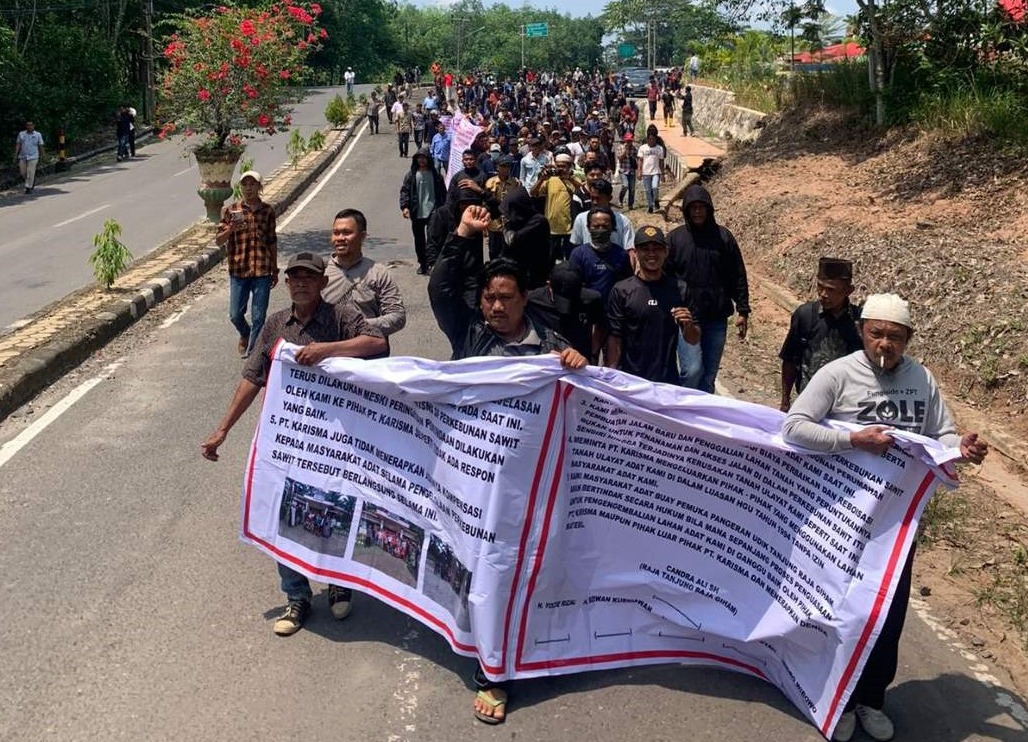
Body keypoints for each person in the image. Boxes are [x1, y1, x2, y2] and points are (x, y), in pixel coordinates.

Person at [782, 293, 989, 742]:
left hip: (895, 525)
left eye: (895, 337)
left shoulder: (922, 379)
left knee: (887, 613)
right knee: (839, 610)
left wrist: (962, 451)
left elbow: (943, 435)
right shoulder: (837, 375)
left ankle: (871, 699)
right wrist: (852, 440)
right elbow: (794, 426)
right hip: (838, 517)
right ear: (862, 331)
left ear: (908, 339)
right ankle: (832, 695)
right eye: (877, 333)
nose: (885, 344)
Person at [201, 251, 387, 636]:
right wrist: (223, 429)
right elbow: (252, 378)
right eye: (294, 277)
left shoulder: (342, 317)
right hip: (291, 440)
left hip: (338, 440)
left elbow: (376, 343)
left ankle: (339, 584)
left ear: (322, 282)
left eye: (309, 277)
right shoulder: (274, 326)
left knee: (336, 509)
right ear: (287, 284)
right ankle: (297, 596)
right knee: (287, 516)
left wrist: (327, 350)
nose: (301, 283)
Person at [666, 184, 749, 393]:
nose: (697, 212)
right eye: (692, 208)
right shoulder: (676, 239)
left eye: (701, 207)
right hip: (687, 317)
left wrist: (743, 309)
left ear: (709, 209)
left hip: (716, 317)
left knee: (709, 375)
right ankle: (682, 413)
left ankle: (700, 421)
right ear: (686, 210)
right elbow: (665, 276)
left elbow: (737, 273)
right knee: (692, 370)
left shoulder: (724, 237)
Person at [606, 225, 700, 384]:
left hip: (666, 382)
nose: (651, 254)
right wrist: (611, 376)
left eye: (657, 248)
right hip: (631, 381)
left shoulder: (679, 289)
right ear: (635, 253)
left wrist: (689, 324)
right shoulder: (622, 290)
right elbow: (615, 338)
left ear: (666, 252)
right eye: (645, 249)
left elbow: (693, 339)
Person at [779, 257, 863, 412]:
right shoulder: (805, 315)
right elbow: (790, 359)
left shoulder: (860, 322)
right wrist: (785, 401)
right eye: (820, 287)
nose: (823, 294)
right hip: (808, 402)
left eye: (831, 289)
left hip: (847, 406)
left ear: (848, 291)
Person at [323, 208, 407, 355]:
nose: (340, 238)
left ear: (362, 236)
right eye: (336, 233)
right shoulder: (320, 272)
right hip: (329, 355)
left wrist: (360, 326)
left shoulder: (378, 272)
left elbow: (397, 316)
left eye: (347, 233)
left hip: (370, 356)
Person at [215, 170, 278, 358]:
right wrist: (230, 230)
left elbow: (272, 240)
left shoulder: (267, 211)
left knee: (259, 316)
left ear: (259, 187)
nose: (248, 188)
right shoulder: (230, 210)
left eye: (252, 184)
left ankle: (253, 354)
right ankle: (245, 333)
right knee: (235, 314)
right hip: (239, 268)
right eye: (245, 184)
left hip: (262, 269)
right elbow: (218, 240)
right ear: (240, 187)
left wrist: (274, 269)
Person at [528, 262, 604, 362]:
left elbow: (601, 325)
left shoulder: (592, 300)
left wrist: (594, 354)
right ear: (549, 285)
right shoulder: (532, 300)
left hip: (580, 360)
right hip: (548, 360)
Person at [400, 148, 447, 274]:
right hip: (417, 211)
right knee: (419, 240)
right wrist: (405, 207)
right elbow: (405, 191)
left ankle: (432, 263)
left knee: (433, 238)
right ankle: (423, 263)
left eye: (424, 157)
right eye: (419, 158)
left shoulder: (436, 175)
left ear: (428, 159)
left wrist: (444, 209)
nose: (421, 160)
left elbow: (443, 193)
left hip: (433, 210)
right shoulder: (411, 175)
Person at [497, 184, 551, 290]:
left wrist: (506, 228)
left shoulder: (538, 221)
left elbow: (513, 240)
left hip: (534, 276)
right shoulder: (516, 223)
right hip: (516, 274)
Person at [531, 152, 580, 265]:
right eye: (558, 166)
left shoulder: (574, 179)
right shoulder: (550, 180)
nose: (561, 169)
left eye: (564, 166)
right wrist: (541, 179)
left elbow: (583, 191)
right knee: (550, 259)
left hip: (570, 227)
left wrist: (569, 178)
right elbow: (533, 193)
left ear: (569, 166)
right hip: (552, 227)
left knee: (570, 258)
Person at [484, 155, 522, 260]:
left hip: (509, 222)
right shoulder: (491, 183)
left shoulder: (515, 182)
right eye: (503, 166)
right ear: (497, 167)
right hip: (495, 222)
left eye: (508, 166)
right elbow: (487, 204)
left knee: (509, 249)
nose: (506, 169)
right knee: (494, 250)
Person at [636, 129, 665, 214]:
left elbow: (661, 161)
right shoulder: (643, 148)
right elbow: (640, 160)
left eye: (653, 139)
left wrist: (662, 174)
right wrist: (639, 171)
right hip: (646, 173)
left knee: (655, 187)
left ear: (656, 139)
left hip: (656, 172)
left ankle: (656, 199)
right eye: (650, 139)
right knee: (648, 190)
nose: (651, 141)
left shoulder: (659, 148)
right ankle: (650, 206)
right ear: (647, 139)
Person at [14, 120, 44, 194]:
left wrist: (43, 155)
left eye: (31, 125)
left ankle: (28, 187)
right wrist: (15, 155)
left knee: (30, 171)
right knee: (23, 172)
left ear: (33, 126)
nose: (29, 126)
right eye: (28, 125)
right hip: (23, 156)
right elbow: (18, 144)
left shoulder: (38, 134)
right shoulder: (21, 134)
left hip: (33, 156)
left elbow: (40, 146)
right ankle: (31, 180)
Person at [615, 132, 637, 210]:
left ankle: (630, 204)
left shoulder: (634, 149)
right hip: (623, 170)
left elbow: (636, 159)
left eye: (630, 141)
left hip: (631, 171)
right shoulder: (620, 147)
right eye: (627, 141)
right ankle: (620, 200)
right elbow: (619, 158)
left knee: (632, 188)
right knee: (625, 185)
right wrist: (625, 152)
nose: (629, 142)